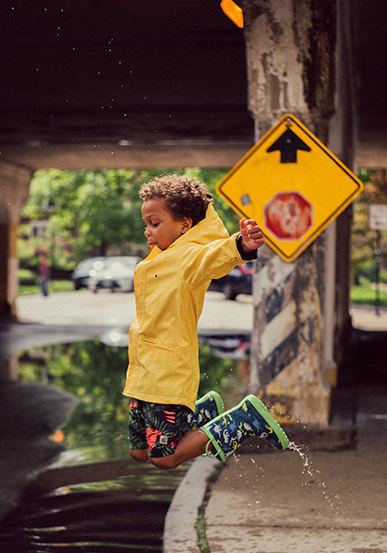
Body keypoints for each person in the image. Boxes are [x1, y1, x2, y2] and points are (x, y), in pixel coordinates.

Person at [124, 174, 289, 469]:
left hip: (167, 376)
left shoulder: (187, 258)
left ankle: (244, 420)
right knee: (138, 452)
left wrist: (241, 245)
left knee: (165, 458)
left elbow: (212, 256)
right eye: (146, 223)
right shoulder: (157, 258)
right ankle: (203, 414)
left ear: (185, 225)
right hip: (142, 376)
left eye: (155, 223)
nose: (147, 232)